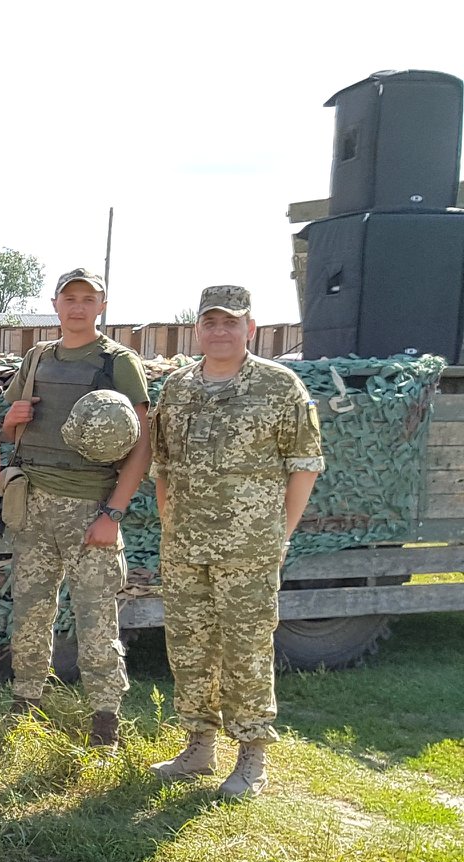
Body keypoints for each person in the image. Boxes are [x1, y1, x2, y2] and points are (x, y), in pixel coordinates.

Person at [148, 286, 323, 798]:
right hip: (184, 546)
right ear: (198, 329)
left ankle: (252, 757)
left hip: (249, 549)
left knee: (246, 648)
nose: (220, 331)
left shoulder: (280, 385)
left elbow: (304, 466)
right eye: (211, 322)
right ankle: (199, 746)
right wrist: (169, 521)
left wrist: (278, 533)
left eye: (231, 322)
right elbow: (162, 466)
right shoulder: (178, 388)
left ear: (250, 328)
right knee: (188, 645)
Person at [1, 269, 151, 749]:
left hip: (90, 508)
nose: (78, 307)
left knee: (95, 615)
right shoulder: (38, 357)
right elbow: (11, 433)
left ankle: (105, 719)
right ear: (55, 303)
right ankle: (25, 703)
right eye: (70, 298)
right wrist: (12, 420)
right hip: (34, 503)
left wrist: (113, 513)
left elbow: (141, 446)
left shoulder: (117, 362)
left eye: (89, 299)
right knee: (29, 610)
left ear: (101, 306)